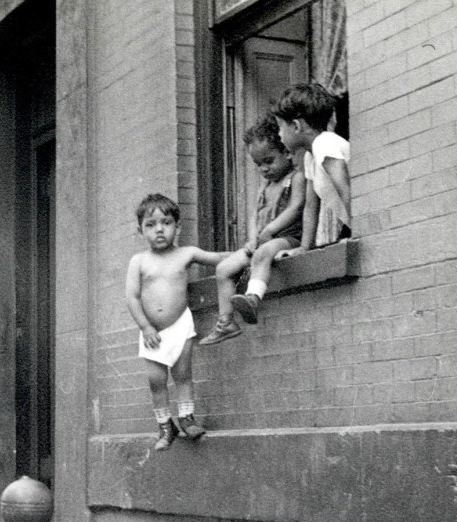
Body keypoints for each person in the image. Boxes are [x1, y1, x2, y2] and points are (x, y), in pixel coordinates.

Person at [125, 193, 226, 451]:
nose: (159, 229)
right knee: (156, 380)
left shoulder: (186, 254)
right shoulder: (139, 261)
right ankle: (164, 426)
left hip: (180, 325)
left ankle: (187, 419)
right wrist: (146, 327)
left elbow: (217, 258)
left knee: (183, 375)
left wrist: (248, 252)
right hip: (152, 332)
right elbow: (132, 298)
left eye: (166, 223)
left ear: (177, 226)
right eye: (151, 225)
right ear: (140, 231)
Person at [199, 113, 306, 344]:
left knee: (263, 253)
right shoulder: (265, 187)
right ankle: (226, 322)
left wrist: (269, 230)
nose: (264, 169)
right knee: (224, 269)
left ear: (287, 153)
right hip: (263, 241)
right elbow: (254, 216)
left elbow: (296, 208)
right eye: (258, 164)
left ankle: (253, 298)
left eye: (269, 161)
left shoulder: (295, 179)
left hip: (288, 238)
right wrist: (251, 237)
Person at [272, 82, 351, 263]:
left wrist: (360, 233)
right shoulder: (310, 156)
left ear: (296, 126)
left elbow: (345, 190)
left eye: (280, 127)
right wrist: (304, 247)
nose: (279, 134)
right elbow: (310, 205)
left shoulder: (325, 144)